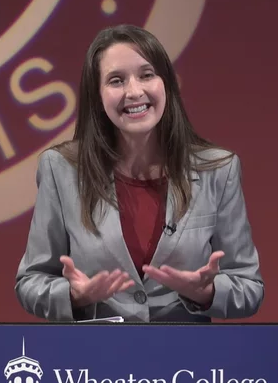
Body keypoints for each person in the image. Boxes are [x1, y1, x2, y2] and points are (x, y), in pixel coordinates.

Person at [15, 24, 264, 322]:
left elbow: (248, 286)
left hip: (187, 365)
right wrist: (74, 296)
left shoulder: (219, 170)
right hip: (96, 362)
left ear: (166, 84)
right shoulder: (62, 170)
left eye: (147, 75)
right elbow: (31, 281)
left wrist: (206, 293)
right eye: (116, 80)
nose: (134, 92)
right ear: (97, 95)